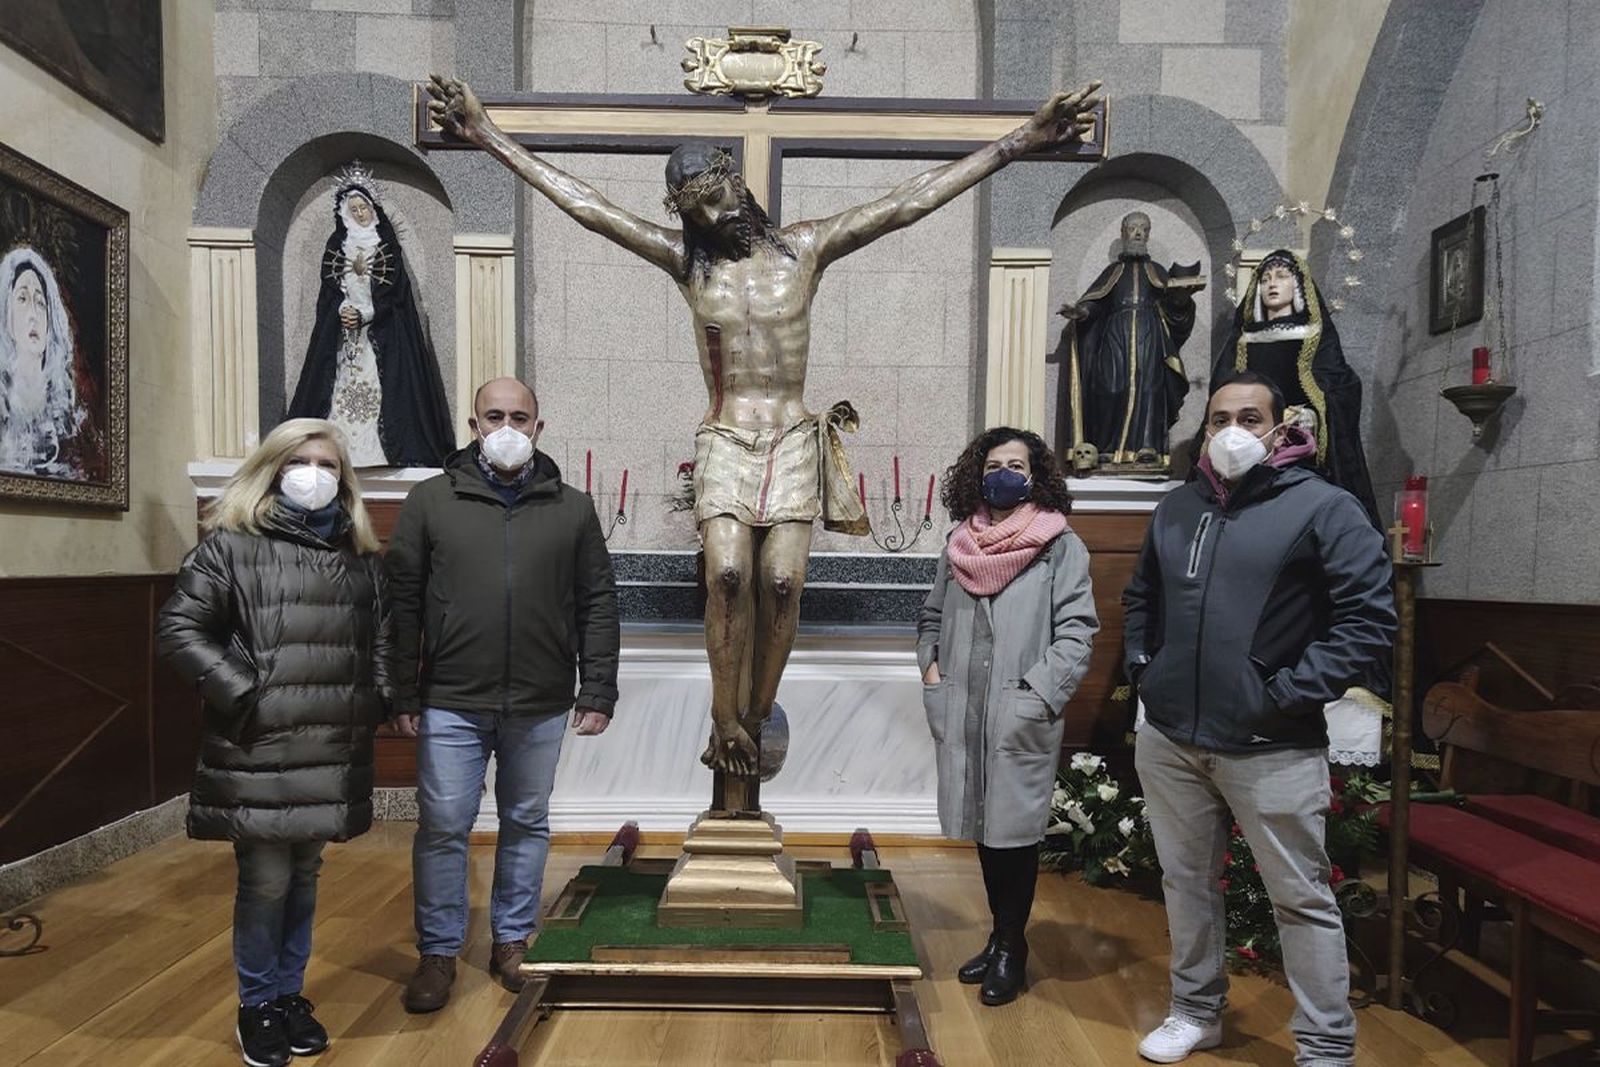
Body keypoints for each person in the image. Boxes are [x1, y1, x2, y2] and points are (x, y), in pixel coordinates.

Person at [424, 74, 1102, 793]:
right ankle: (725, 718)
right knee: (724, 574)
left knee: (780, 582)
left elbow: (909, 202)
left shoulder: (804, 251)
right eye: (698, 209)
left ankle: (756, 708)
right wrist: (486, 135)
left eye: (719, 193)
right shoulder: (689, 264)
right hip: (725, 438)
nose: (717, 214)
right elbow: (586, 207)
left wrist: (1023, 139)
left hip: (792, 440)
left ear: (735, 181)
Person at [1123, 372, 1395, 1065]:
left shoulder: (1324, 507)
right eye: (1219, 418)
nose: (1232, 429)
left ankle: (1326, 1044)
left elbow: (1368, 621)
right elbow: (1140, 596)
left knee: (1300, 898)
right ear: (1204, 429)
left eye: (1250, 415)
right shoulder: (1176, 507)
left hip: (1272, 741)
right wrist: (1142, 668)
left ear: (1281, 427)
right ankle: (1195, 1010)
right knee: (1186, 885)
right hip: (1172, 737)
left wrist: (1288, 691)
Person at [157, 418, 392, 1067]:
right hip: (257, 747)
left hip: (327, 748)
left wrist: (375, 700)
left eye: (327, 463)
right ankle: (257, 1002)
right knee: (264, 880)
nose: (314, 473)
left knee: (307, 874)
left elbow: (384, 641)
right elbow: (179, 629)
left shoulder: (357, 555)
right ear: (272, 467)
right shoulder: (231, 545)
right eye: (300, 459)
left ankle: (289, 994)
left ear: (342, 479)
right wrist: (243, 691)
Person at [385, 376, 620, 1013]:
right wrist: (401, 689)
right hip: (450, 700)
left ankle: (512, 940)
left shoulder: (572, 507)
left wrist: (597, 685)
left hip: (541, 701)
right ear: (474, 426)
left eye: (521, 416)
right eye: (495, 416)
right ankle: (437, 951)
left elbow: (598, 601)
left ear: (539, 428)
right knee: (442, 826)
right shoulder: (431, 500)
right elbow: (401, 600)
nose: (508, 427)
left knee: (525, 822)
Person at [916, 427, 1099, 1007]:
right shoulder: (957, 545)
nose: (1004, 473)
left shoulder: (1058, 545)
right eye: (994, 463)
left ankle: (1012, 948)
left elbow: (1077, 631)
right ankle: (999, 938)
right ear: (977, 473)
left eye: (1016, 464)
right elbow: (929, 618)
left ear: (1035, 475)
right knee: (983, 827)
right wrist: (932, 671)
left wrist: (1039, 693)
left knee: (1013, 836)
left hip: (1022, 711)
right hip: (964, 706)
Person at [286, 163, 455, 468]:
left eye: (364, 207)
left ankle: (378, 451)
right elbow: (329, 293)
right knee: (335, 386)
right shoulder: (338, 246)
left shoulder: (385, 247)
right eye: (354, 208)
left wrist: (366, 313)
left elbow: (394, 294)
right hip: (343, 335)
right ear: (344, 212)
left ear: (373, 208)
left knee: (383, 386)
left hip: (380, 332)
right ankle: (336, 450)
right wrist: (342, 310)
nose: (360, 213)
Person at [1211, 250, 1380, 528]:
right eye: (1264, 279)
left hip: (1302, 451)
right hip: (1251, 448)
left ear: (1298, 284)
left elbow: (1342, 387)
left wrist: (1312, 415)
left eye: (1281, 276)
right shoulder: (1243, 342)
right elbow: (1221, 393)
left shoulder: (1316, 337)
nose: (1272, 284)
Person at [1057, 211, 1201, 468]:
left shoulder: (1157, 271)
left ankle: (1148, 447)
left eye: (1142, 228)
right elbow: (1095, 303)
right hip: (1114, 334)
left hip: (1150, 335)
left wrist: (1181, 301)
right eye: (1132, 228)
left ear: (1148, 234)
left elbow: (1176, 313)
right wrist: (1081, 313)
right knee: (1109, 387)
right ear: (1123, 233)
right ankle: (1105, 448)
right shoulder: (1112, 272)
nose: (1137, 232)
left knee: (1149, 389)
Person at [0, 245, 102, 479]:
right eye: (22, 299)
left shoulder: (69, 414)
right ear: (6, 313)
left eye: (41, 303)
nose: (33, 314)